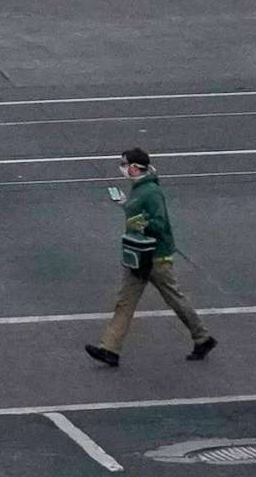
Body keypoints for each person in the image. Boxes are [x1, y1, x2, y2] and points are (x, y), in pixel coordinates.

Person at [86, 146, 214, 366]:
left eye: (125, 164)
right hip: (138, 253)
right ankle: (109, 348)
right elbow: (139, 212)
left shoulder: (151, 192)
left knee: (173, 298)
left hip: (154, 256)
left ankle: (202, 337)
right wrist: (126, 205)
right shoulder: (139, 188)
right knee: (126, 302)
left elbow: (159, 222)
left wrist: (139, 223)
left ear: (135, 167)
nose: (123, 168)